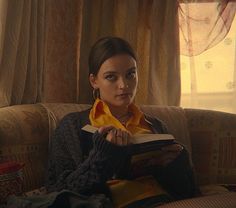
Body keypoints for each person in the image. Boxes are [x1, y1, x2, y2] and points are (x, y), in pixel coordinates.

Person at [45, 37, 200, 207]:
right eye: (111, 77)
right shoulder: (73, 126)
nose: (124, 85)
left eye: (130, 74)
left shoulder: (155, 125)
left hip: (164, 202)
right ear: (94, 81)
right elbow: (59, 190)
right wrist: (104, 155)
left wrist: (176, 164)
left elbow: (189, 192)